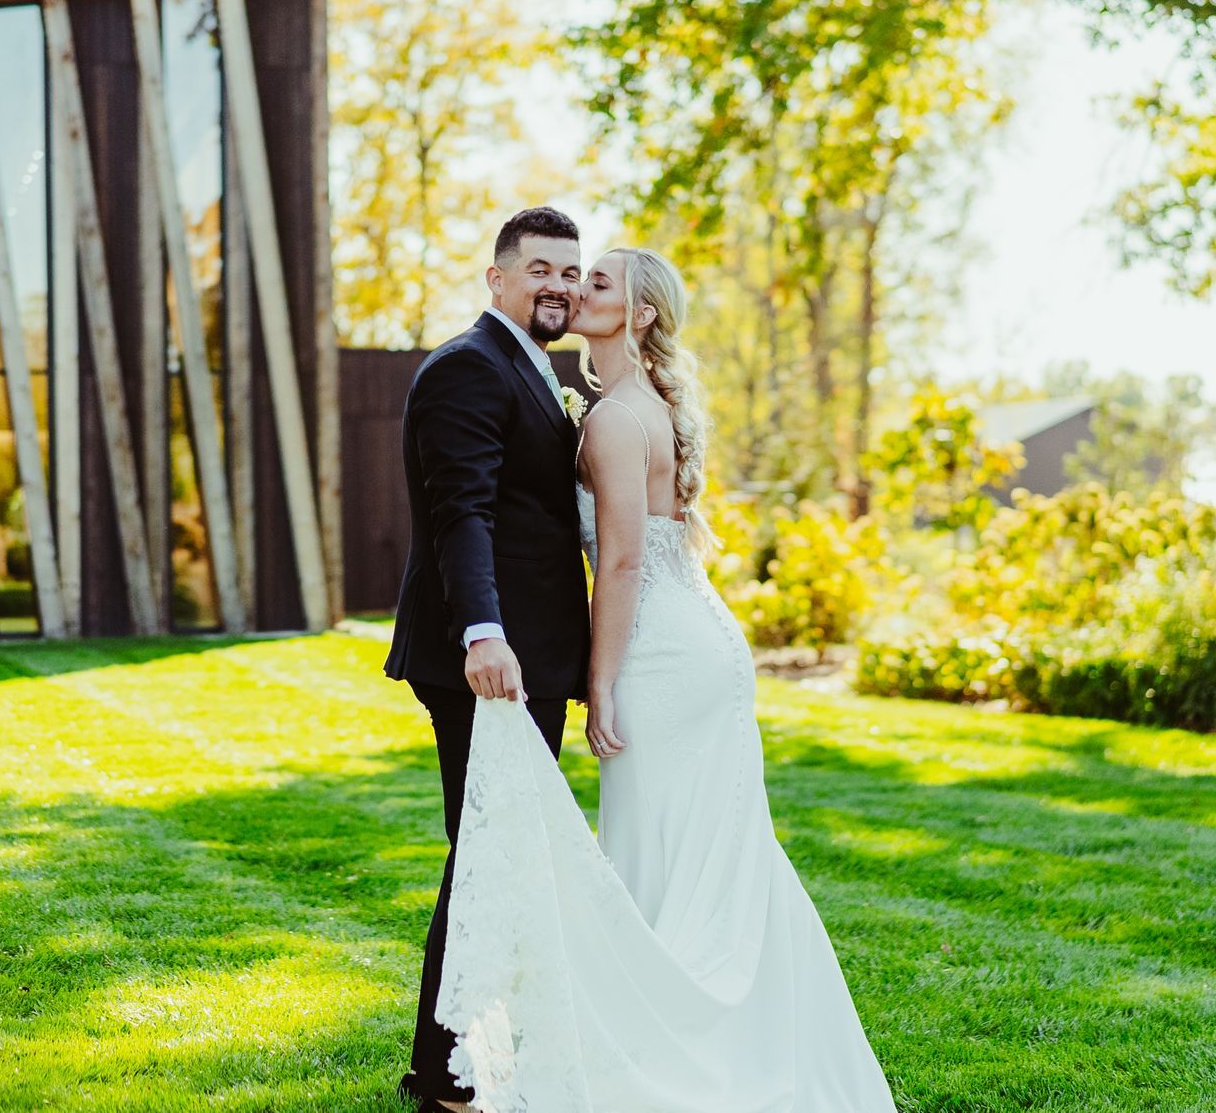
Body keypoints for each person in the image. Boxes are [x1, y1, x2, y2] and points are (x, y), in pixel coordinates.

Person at [431, 246, 898, 1112]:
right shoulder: (636, 406)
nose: (576, 290)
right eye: (573, 277)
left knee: (659, 852)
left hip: (657, 653)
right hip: (701, 641)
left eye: (597, 281)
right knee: (711, 857)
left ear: (640, 314)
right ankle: (731, 1042)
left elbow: (621, 564)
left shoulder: (612, 420)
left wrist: (599, 682)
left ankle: (672, 1057)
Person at [383, 205, 592, 1113]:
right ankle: (443, 1078)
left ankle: (457, 1062)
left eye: (570, 272)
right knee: (485, 859)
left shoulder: (538, 370)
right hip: (490, 663)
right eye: (540, 268)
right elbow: (459, 511)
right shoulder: (469, 368)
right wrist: (484, 633)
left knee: (498, 858)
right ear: (498, 278)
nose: (557, 285)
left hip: (529, 657)